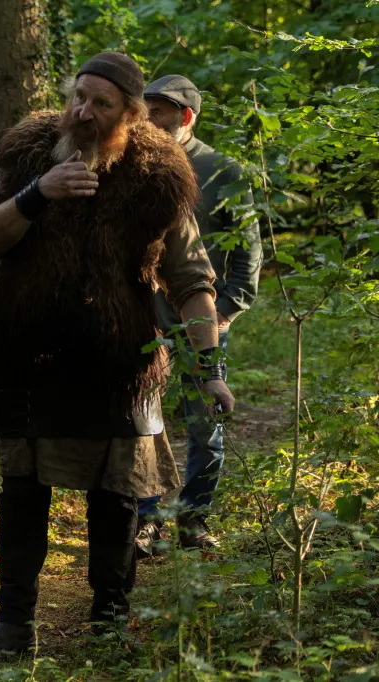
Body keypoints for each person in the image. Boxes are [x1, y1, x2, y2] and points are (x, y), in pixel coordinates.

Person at [0, 52, 236, 664]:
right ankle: (15, 624)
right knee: (23, 490)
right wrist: (40, 194)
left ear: (132, 114)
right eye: (78, 97)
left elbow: (192, 279)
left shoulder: (158, 175)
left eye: (100, 104)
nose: (82, 112)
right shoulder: (30, 153)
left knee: (117, 494)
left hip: (120, 363)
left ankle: (110, 624)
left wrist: (210, 368)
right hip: (29, 355)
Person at [138, 75, 263, 553]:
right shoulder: (139, 164)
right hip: (143, 320)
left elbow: (248, 253)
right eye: (145, 107)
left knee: (203, 423)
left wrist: (227, 310)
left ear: (185, 117)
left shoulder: (221, 169)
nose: (147, 118)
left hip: (201, 322)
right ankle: (146, 520)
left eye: (159, 111)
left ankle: (194, 520)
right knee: (143, 423)